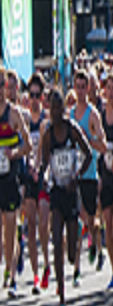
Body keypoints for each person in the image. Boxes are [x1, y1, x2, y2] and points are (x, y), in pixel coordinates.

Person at [40, 89, 91, 306]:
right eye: (52, 109)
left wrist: (77, 176)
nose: (55, 113)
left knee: (71, 253)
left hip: (71, 192)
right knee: (56, 240)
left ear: (63, 110)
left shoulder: (72, 130)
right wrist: (42, 176)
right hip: (57, 192)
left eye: (59, 109)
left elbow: (88, 153)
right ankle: (61, 291)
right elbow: (44, 164)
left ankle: (77, 229)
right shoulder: (48, 135)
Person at [71, 69, 107, 286]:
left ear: (89, 88)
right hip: (75, 174)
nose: (82, 91)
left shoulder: (92, 114)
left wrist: (88, 140)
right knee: (77, 220)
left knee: (91, 219)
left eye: (85, 87)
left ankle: (96, 243)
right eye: (78, 87)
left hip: (90, 172)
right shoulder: (70, 113)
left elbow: (103, 145)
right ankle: (76, 270)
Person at [0, 67, 32, 297]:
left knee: (10, 228)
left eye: (2, 84)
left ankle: (11, 277)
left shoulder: (14, 114)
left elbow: (28, 145)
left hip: (10, 179)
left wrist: (15, 152)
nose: (1, 89)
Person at [21, 73, 50, 295]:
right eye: (30, 95)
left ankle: (47, 261)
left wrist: (39, 167)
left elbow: (44, 150)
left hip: (42, 175)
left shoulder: (45, 121)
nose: (33, 99)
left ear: (42, 97)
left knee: (43, 223)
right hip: (26, 174)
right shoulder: (22, 118)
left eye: (37, 95)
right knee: (30, 226)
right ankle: (35, 275)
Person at [99, 72, 113, 289]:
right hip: (104, 171)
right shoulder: (99, 112)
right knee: (108, 222)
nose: (112, 91)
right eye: (109, 87)